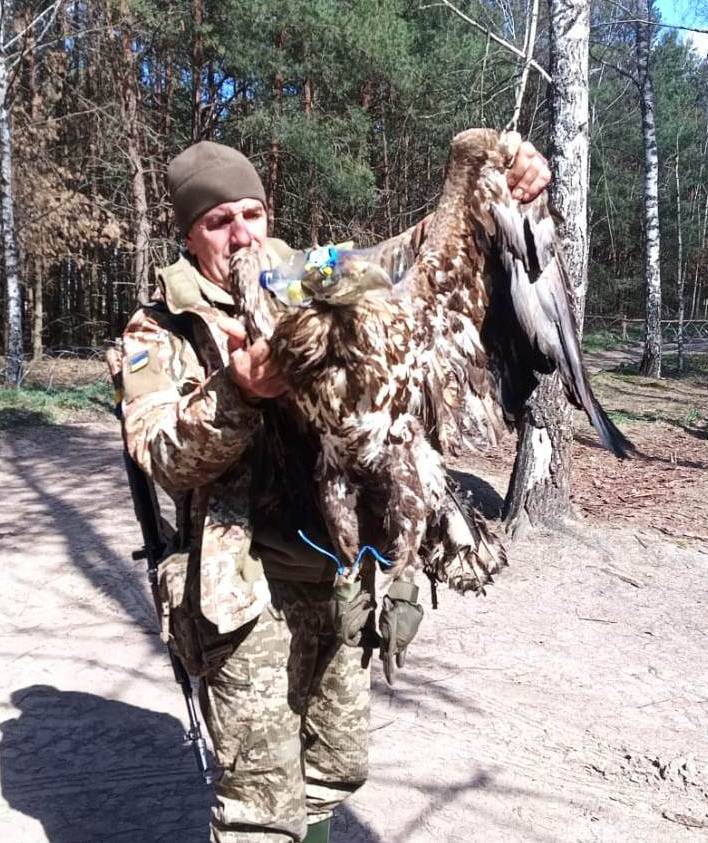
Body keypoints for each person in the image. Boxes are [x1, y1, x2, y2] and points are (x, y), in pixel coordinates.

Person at [118, 137, 551, 843]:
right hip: (247, 590)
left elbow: (411, 255)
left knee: (335, 768)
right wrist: (239, 392)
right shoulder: (158, 328)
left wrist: (497, 185)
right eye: (218, 221)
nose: (241, 234)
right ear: (189, 234)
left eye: (251, 213)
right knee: (261, 809)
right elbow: (163, 455)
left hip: (339, 578)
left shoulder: (313, 272)